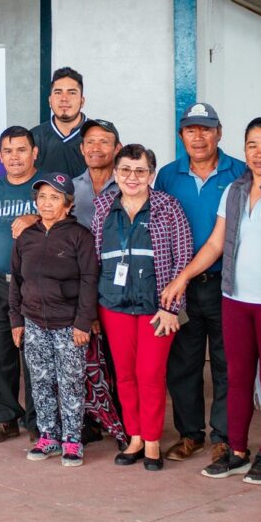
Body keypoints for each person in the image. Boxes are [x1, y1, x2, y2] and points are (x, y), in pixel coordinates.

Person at [162, 118, 261, 486]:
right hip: (234, 300)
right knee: (237, 379)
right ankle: (236, 451)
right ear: (244, 150)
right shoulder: (233, 190)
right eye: (252, 145)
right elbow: (216, 243)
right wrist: (182, 277)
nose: (259, 153)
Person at [155, 102, 246, 464]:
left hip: (228, 283)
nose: (198, 136)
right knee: (184, 363)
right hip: (181, 288)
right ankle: (190, 434)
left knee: (227, 363)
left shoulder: (239, 172)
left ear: (219, 133)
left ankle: (223, 436)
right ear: (181, 136)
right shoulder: (167, 175)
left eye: (206, 129)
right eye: (191, 130)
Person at [93, 144, 191, 470]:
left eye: (140, 171)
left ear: (151, 174)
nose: (132, 177)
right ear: (115, 173)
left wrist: (172, 307)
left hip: (157, 308)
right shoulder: (103, 206)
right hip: (113, 304)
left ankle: (151, 441)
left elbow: (183, 260)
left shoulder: (168, 208)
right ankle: (133, 437)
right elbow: (94, 257)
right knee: (124, 376)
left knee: (150, 374)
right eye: (125, 171)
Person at [8, 173, 98, 466]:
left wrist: (83, 322)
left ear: (68, 204)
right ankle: (48, 436)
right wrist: (16, 320)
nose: (46, 203)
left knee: (70, 381)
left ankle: (72, 440)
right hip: (33, 320)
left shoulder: (79, 236)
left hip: (69, 324)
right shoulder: (27, 236)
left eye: (54, 197)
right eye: (42, 197)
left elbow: (89, 281)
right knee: (40, 380)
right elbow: (16, 280)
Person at [0, 126, 41, 443]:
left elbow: (65, 228)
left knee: (36, 356)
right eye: (8, 151)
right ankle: (5, 418)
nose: (15, 157)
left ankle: (38, 421)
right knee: (0, 354)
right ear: (0, 156)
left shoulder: (46, 188)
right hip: (0, 284)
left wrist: (35, 218)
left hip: (38, 287)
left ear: (34, 153)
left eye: (21, 149)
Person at [30, 67, 88, 177]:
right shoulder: (33, 137)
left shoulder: (100, 135)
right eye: (58, 92)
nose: (64, 99)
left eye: (72, 93)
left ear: (82, 101)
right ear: (50, 101)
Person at [71, 119, 121, 230]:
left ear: (117, 148)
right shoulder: (71, 188)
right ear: (82, 149)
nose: (95, 148)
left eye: (104, 142)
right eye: (90, 142)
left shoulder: (128, 187)